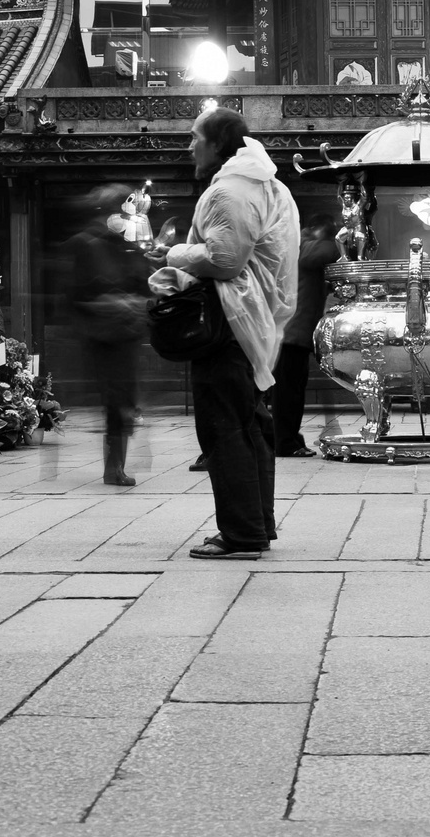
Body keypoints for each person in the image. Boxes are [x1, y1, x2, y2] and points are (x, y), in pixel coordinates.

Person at [153, 108, 300, 559]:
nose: (189, 145)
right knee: (248, 426)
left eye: (194, 136)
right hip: (252, 324)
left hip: (230, 322)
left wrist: (175, 253)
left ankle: (242, 534)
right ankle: (257, 525)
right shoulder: (267, 184)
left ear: (218, 143)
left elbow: (224, 260)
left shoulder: (232, 191)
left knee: (225, 430)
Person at [68, 184, 151, 486]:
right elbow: (75, 295)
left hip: (125, 332)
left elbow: (141, 284)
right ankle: (113, 467)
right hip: (101, 335)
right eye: (120, 206)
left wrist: (135, 302)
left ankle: (116, 465)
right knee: (115, 400)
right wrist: (111, 303)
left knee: (124, 400)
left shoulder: (122, 243)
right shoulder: (84, 243)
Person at [273, 214, 337, 457]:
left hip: (292, 331)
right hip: (293, 332)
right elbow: (325, 251)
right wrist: (341, 238)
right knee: (288, 392)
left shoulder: (297, 245)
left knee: (289, 390)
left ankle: (286, 439)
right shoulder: (304, 246)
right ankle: (286, 442)